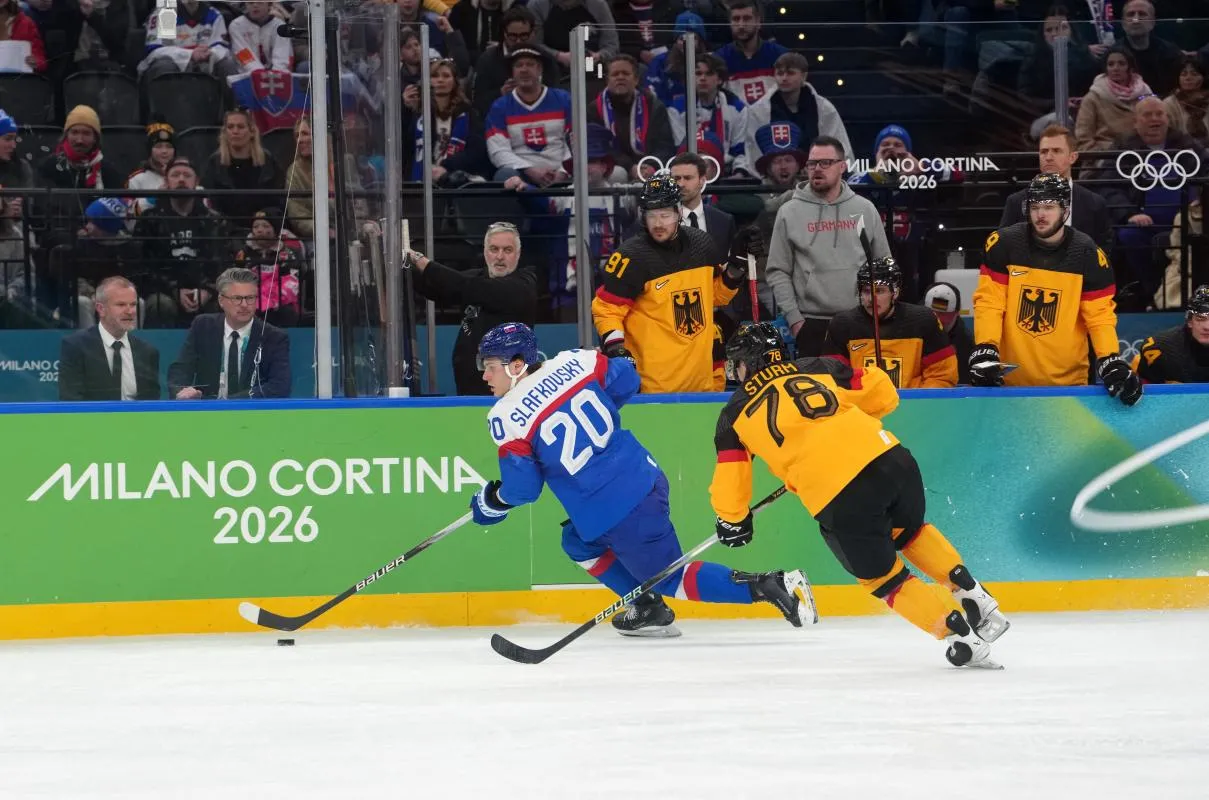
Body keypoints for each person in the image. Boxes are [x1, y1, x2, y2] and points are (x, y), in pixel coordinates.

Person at [469, 321, 815, 637]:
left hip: (614, 509)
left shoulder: (506, 415)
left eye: (490, 367)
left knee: (672, 577)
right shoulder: (576, 361)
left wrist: (491, 501)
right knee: (577, 542)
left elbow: (524, 489)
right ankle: (645, 605)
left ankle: (769, 585)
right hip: (644, 477)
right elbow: (628, 380)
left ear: (517, 367)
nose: (485, 376)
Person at [709, 321, 1010, 667]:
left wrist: (732, 520)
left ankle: (963, 638)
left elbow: (731, 482)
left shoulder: (733, 413)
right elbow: (883, 393)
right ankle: (973, 594)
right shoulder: (818, 367)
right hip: (892, 459)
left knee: (884, 579)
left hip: (839, 493)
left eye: (739, 363)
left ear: (749, 361)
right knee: (910, 533)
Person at [972, 173, 1141, 404]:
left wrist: (1109, 358)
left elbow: (1100, 318)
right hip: (1008, 386)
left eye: (1049, 207)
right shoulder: (1003, 244)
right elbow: (989, 303)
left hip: (1070, 388)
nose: (1041, 215)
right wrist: (986, 346)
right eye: (1035, 207)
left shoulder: (1088, 253)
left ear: (1065, 210)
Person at [591, 170, 748, 394]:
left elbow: (713, 296)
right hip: (652, 388)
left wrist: (734, 272)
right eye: (651, 215)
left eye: (665, 215)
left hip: (701, 383)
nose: (658, 223)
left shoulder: (702, 244)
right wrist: (616, 347)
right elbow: (606, 309)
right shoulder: (629, 257)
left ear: (678, 213)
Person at [765, 136, 891, 358]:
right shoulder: (789, 212)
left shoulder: (865, 209)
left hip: (862, 319)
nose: (817, 169)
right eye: (812, 164)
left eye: (825, 163)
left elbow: (884, 268)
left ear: (842, 166)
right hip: (811, 324)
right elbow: (777, 270)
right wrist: (795, 321)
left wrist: (879, 314)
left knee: (863, 390)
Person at [407, 222, 538, 395]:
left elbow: (468, 286)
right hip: (467, 390)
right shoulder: (477, 276)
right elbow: (438, 287)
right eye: (493, 249)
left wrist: (420, 260)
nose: (500, 256)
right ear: (484, 251)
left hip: (508, 394)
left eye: (507, 250)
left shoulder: (524, 283)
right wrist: (404, 265)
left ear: (518, 254)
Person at [823, 257, 958, 389]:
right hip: (862, 408)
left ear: (895, 292)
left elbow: (942, 376)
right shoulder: (843, 324)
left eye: (880, 291)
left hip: (912, 407)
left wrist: (919, 402)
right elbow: (832, 378)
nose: (871, 299)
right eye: (866, 291)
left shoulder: (923, 321)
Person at [168, 267, 291, 399]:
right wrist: (183, 392)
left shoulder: (273, 337)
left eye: (250, 298)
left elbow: (279, 386)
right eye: (237, 298)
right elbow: (180, 370)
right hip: (207, 414)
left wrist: (228, 403)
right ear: (221, 301)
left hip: (252, 414)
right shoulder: (203, 326)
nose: (244, 304)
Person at [999, 124, 1112, 253]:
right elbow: (1002, 248)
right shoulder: (1016, 202)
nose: (1048, 157)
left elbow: (1104, 253)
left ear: (1073, 157)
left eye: (1056, 151)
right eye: (1044, 151)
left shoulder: (1094, 204)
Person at [58, 276, 161, 401]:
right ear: (101, 309)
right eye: (121, 305)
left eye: (133, 304)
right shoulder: (76, 347)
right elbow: (71, 401)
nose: (130, 311)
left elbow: (152, 405)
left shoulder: (147, 352)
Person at [1074, 46, 1153, 153]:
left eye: (1121, 63)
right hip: (1106, 157)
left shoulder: (1146, 95)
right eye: (1110, 64)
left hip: (1142, 154)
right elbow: (1083, 138)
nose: (1116, 68)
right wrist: (1102, 160)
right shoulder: (1093, 97)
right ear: (1106, 69)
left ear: (1130, 68)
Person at [1133, 285, 1209, 383]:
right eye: (1200, 319)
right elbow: (1144, 392)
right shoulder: (1159, 349)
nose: (1207, 327)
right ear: (1190, 321)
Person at [922, 281, 974, 384]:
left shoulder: (966, 343)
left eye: (943, 314)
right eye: (932, 313)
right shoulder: (912, 327)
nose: (937, 319)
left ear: (956, 313)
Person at [125, 117, 177, 216]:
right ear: (150, 150)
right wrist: (154, 198)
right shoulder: (137, 179)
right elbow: (129, 217)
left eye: (169, 147)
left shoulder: (185, 175)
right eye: (158, 146)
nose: (164, 151)